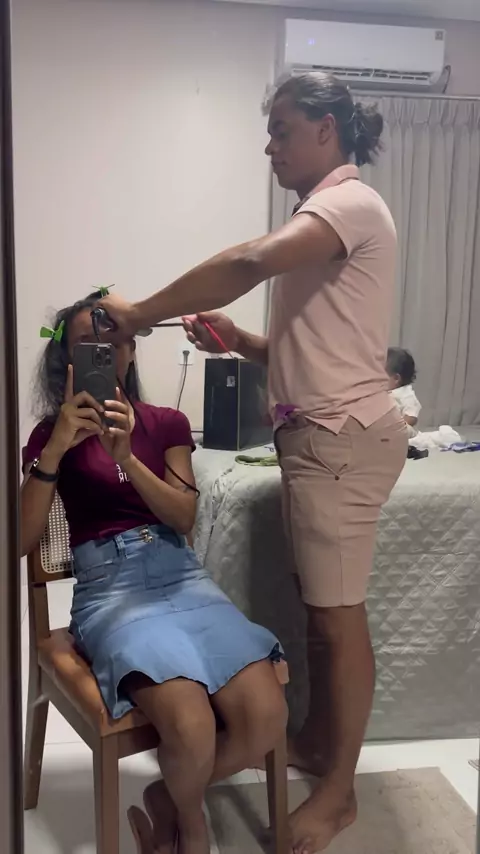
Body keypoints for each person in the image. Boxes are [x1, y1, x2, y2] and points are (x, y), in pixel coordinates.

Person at [99, 72, 409, 853]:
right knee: (321, 611)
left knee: (339, 619)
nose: (269, 146)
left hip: (341, 441)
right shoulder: (329, 216)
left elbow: (248, 261)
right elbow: (318, 355)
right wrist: (242, 343)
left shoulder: (347, 204)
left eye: (281, 129)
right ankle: (317, 744)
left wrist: (140, 312)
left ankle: (338, 794)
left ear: (327, 130)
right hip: (322, 434)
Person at [21, 293, 287, 854]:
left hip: (182, 577)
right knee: (190, 726)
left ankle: (166, 798)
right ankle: (192, 828)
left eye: (114, 339)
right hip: (108, 588)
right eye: (87, 343)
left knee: (267, 716)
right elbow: (20, 543)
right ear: (67, 359)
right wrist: (57, 450)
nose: (104, 351)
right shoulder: (51, 435)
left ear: (130, 349)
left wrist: (127, 458)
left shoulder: (167, 422)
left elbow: (183, 517)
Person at [386, 346, 421, 437]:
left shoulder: (406, 395)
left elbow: (412, 416)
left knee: (406, 430)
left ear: (396, 378)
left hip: (401, 431)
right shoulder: (384, 392)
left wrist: (399, 426)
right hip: (385, 427)